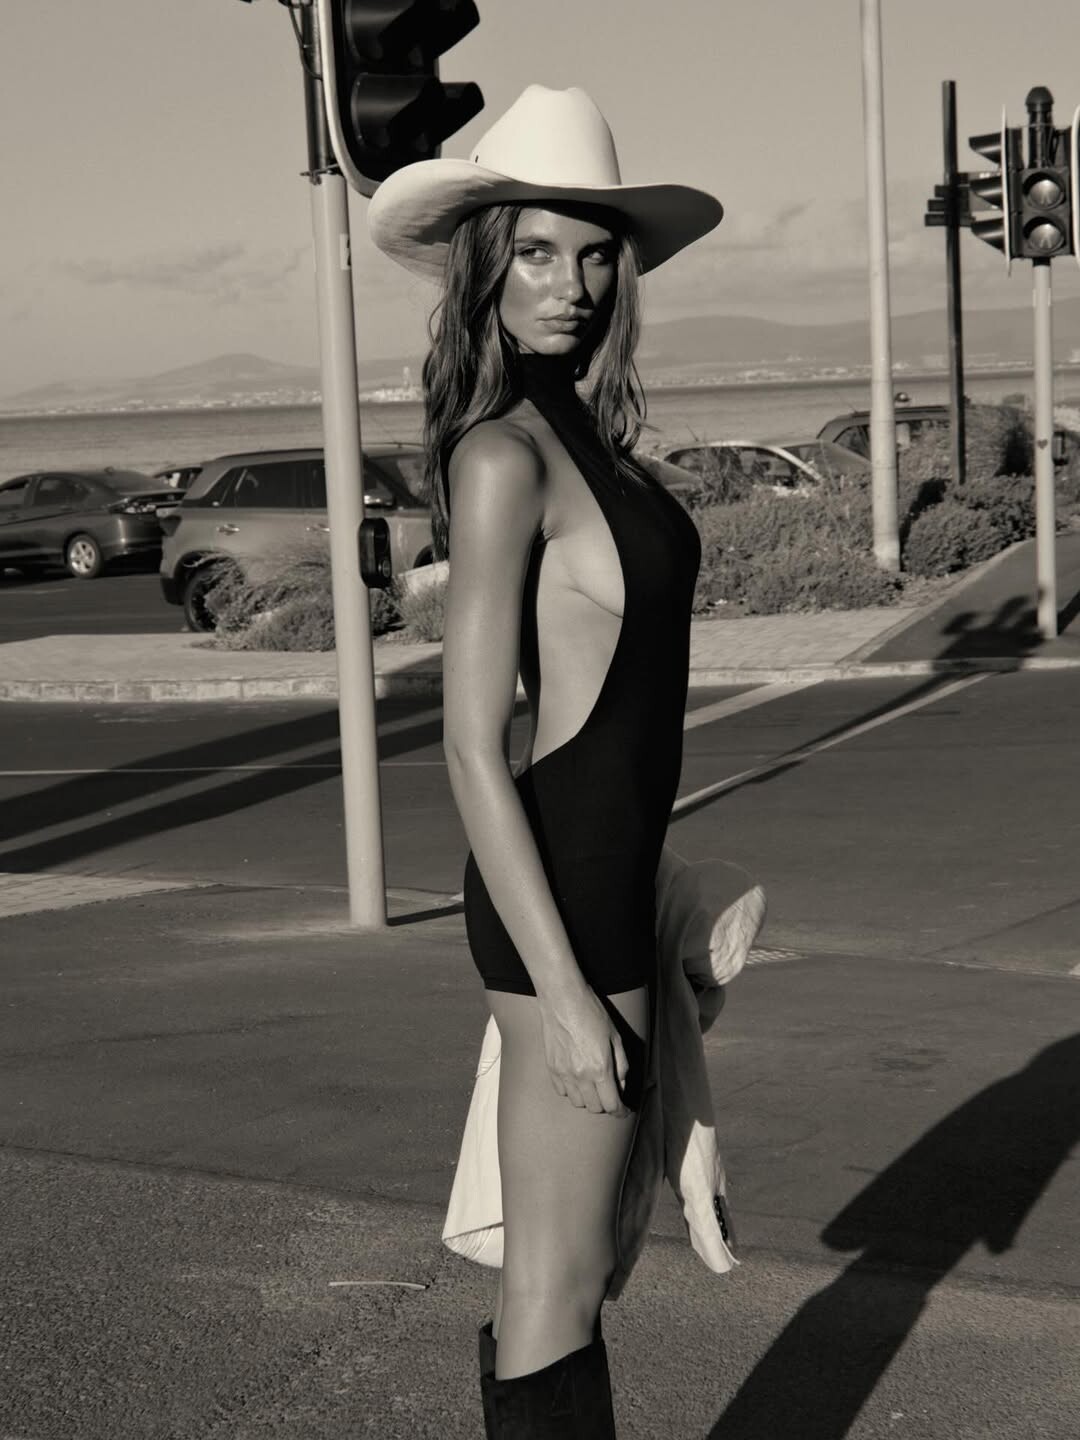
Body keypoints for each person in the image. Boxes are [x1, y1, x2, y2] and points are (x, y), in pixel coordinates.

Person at [368, 84, 723, 1437]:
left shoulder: (592, 440)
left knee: (572, 1273)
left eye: (592, 254)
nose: (568, 285)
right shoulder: (503, 456)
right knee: (556, 1287)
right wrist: (569, 996)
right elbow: (471, 745)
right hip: (561, 902)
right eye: (533, 252)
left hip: (608, 883)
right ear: (486, 267)